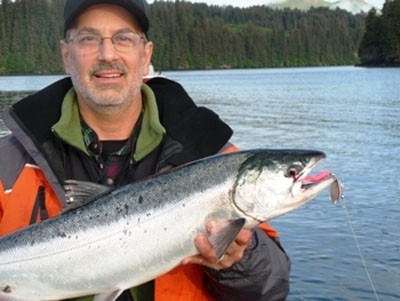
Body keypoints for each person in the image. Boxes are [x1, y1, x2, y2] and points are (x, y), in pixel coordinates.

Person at [0, 0, 290, 300]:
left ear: (146, 53)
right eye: (89, 39)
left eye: (123, 38)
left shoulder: (214, 158)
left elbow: (271, 288)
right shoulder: (7, 164)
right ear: (66, 55)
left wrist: (238, 260)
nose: (108, 54)